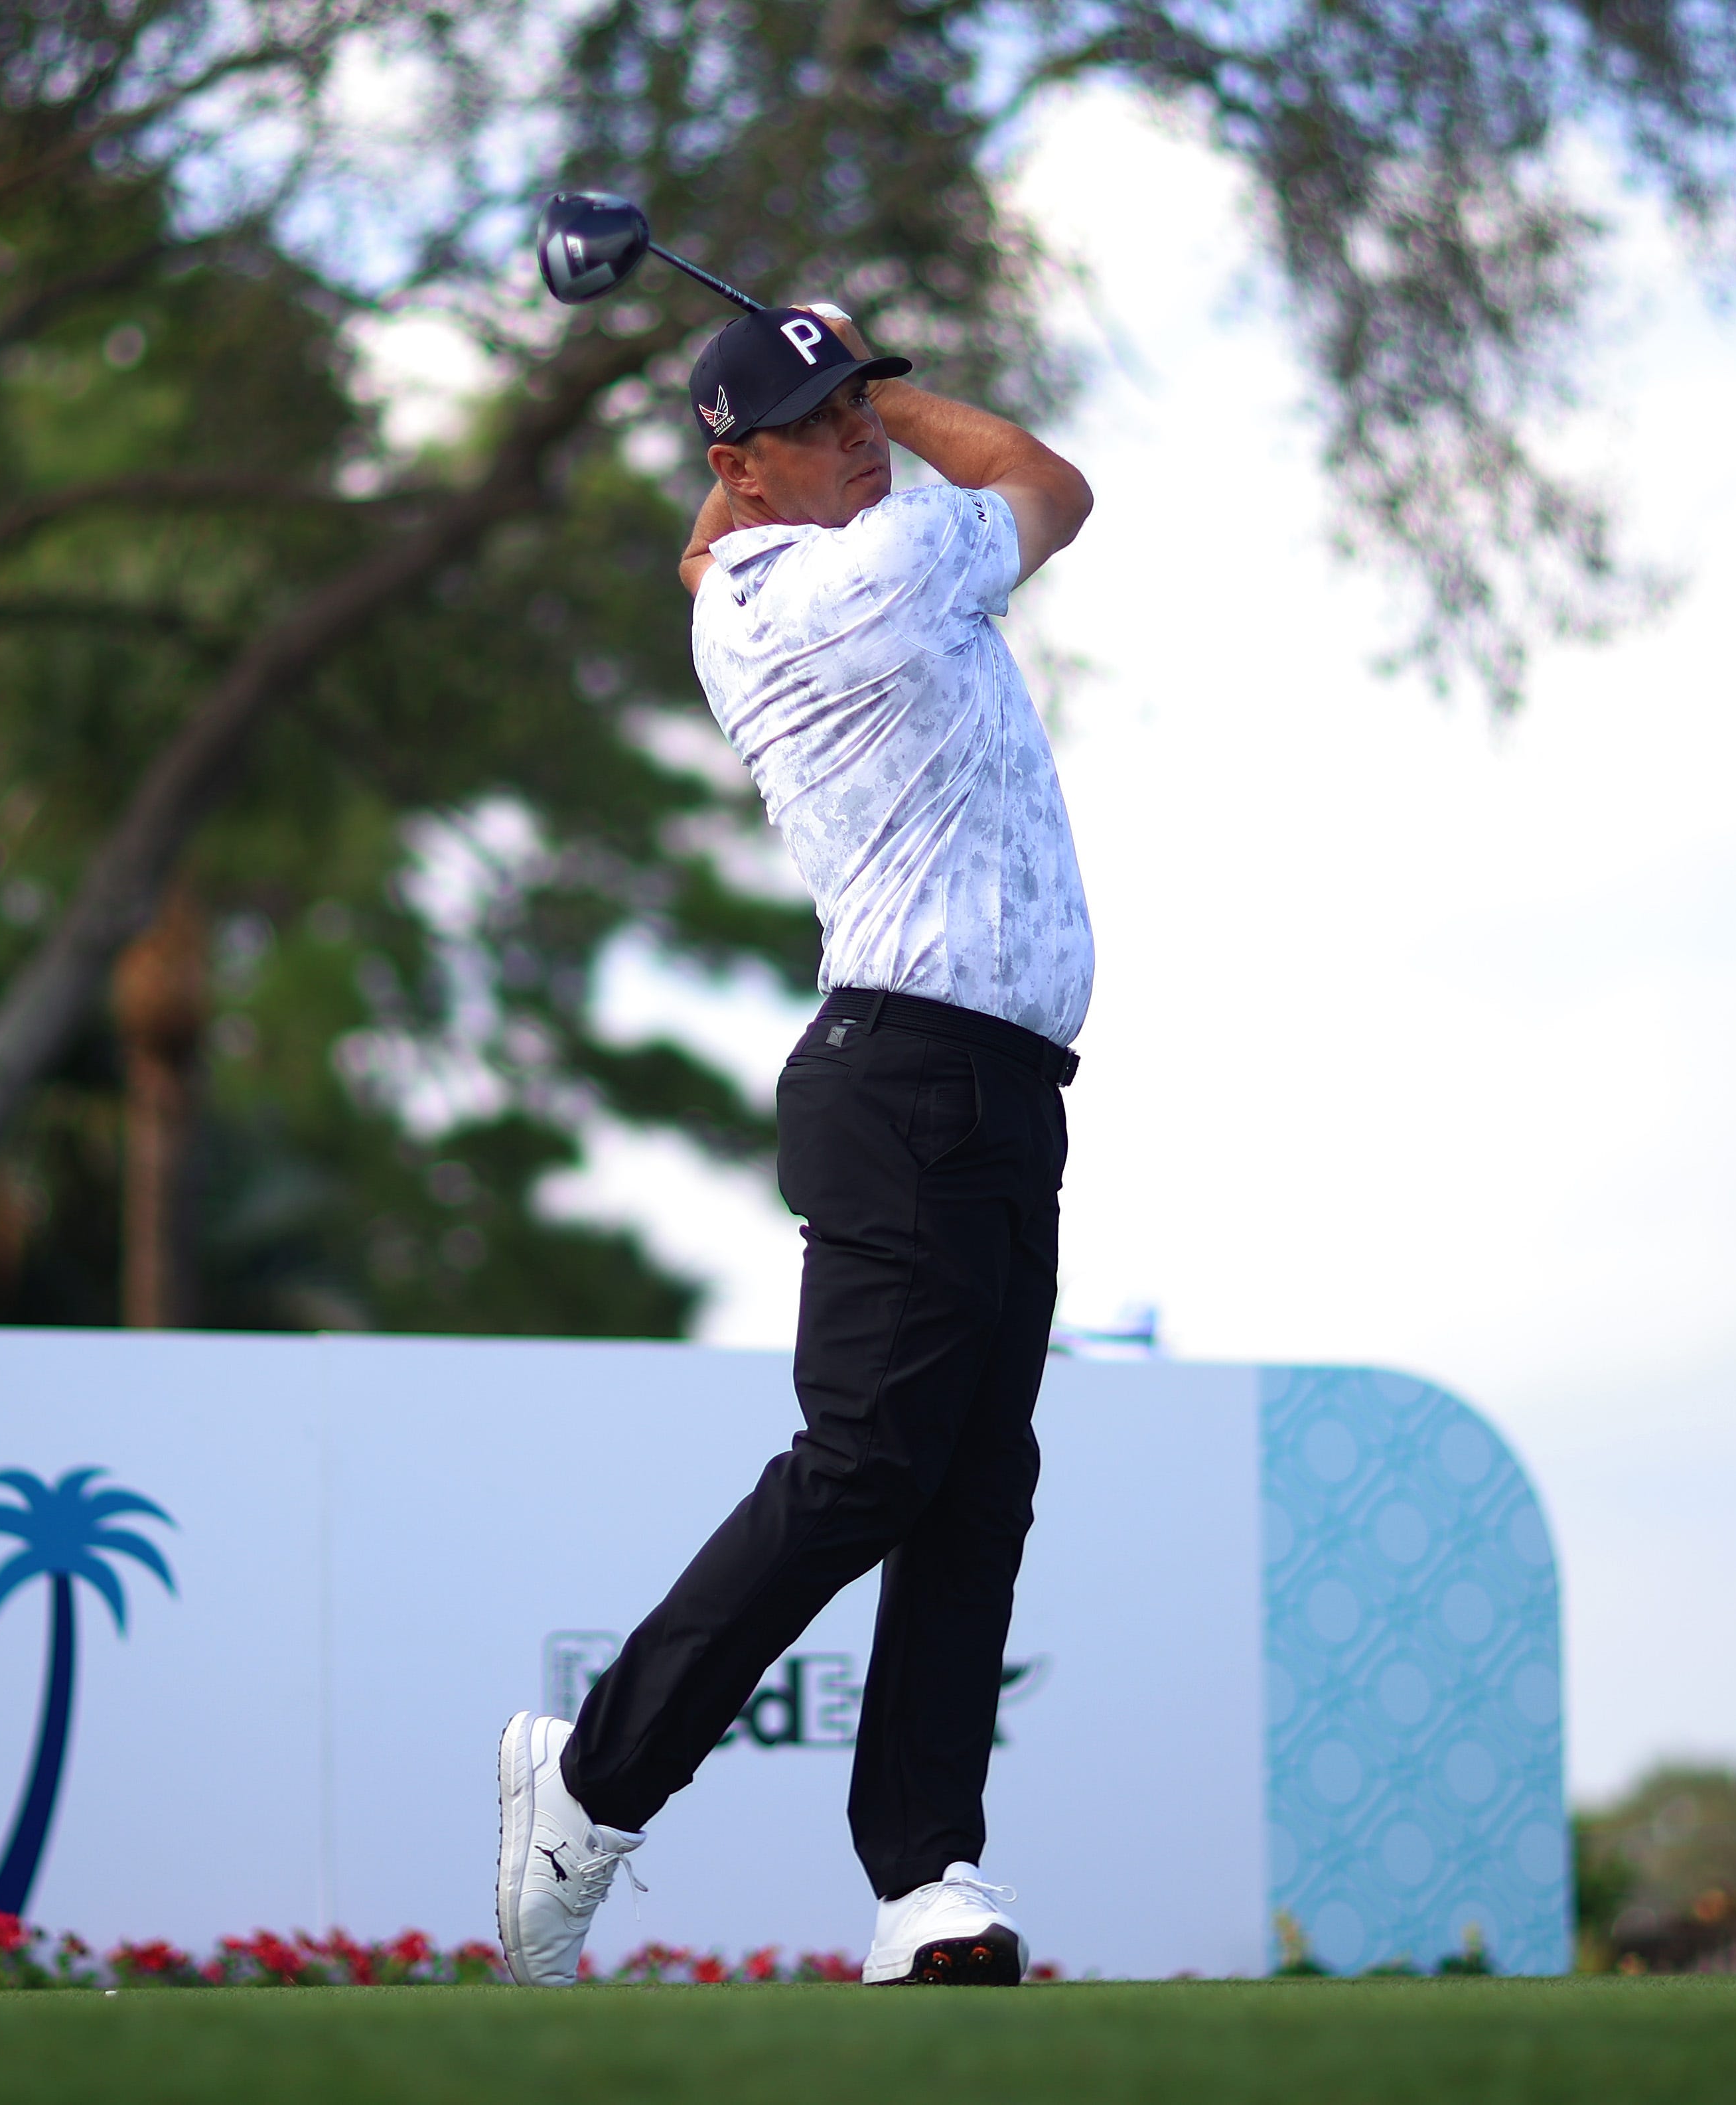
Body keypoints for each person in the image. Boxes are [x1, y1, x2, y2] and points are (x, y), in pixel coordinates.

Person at [494, 300, 1096, 1988]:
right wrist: (910, 397)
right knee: (869, 1464)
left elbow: (705, 552)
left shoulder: (736, 582)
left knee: (974, 1486)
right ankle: (594, 1778)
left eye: (859, 407)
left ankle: (925, 1882)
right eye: (823, 421)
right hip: (900, 1071)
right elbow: (1053, 482)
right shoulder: (877, 569)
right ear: (740, 467)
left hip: (998, 1079)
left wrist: (805, 390)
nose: (861, 435)